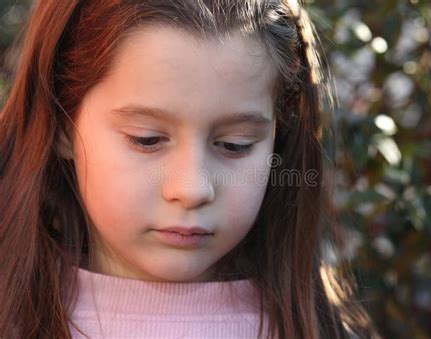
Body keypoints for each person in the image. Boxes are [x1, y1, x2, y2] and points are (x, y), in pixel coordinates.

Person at [0, 0, 379, 338]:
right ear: (63, 126)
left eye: (236, 145)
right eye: (147, 139)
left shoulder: (310, 328)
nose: (193, 189)